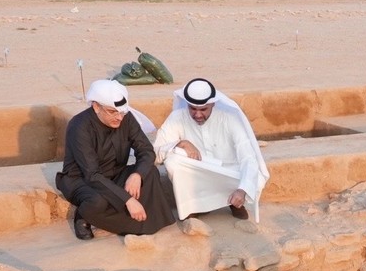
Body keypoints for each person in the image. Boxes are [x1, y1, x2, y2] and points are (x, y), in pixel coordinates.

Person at [56, 80, 175, 240]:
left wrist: (136, 175)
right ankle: (84, 215)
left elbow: (146, 150)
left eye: (122, 113)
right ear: (96, 107)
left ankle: (133, 218)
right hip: (82, 180)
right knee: (97, 201)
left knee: (150, 172)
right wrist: (128, 200)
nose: (119, 118)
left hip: (114, 173)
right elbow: (92, 174)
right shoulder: (79, 126)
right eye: (112, 112)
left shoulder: (125, 117)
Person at [154, 77, 269, 222]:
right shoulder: (177, 118)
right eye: (193, 108)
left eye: (203, 109)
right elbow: (155, 153)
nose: (197, 114)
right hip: (199, 174)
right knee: (172, 161)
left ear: (213, 104)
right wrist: (179, 143)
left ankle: (235, 202)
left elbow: (248, 157)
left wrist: (243, 189)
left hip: (228, 174)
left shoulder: (229, 119)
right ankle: (191, 207)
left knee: (254, 177)